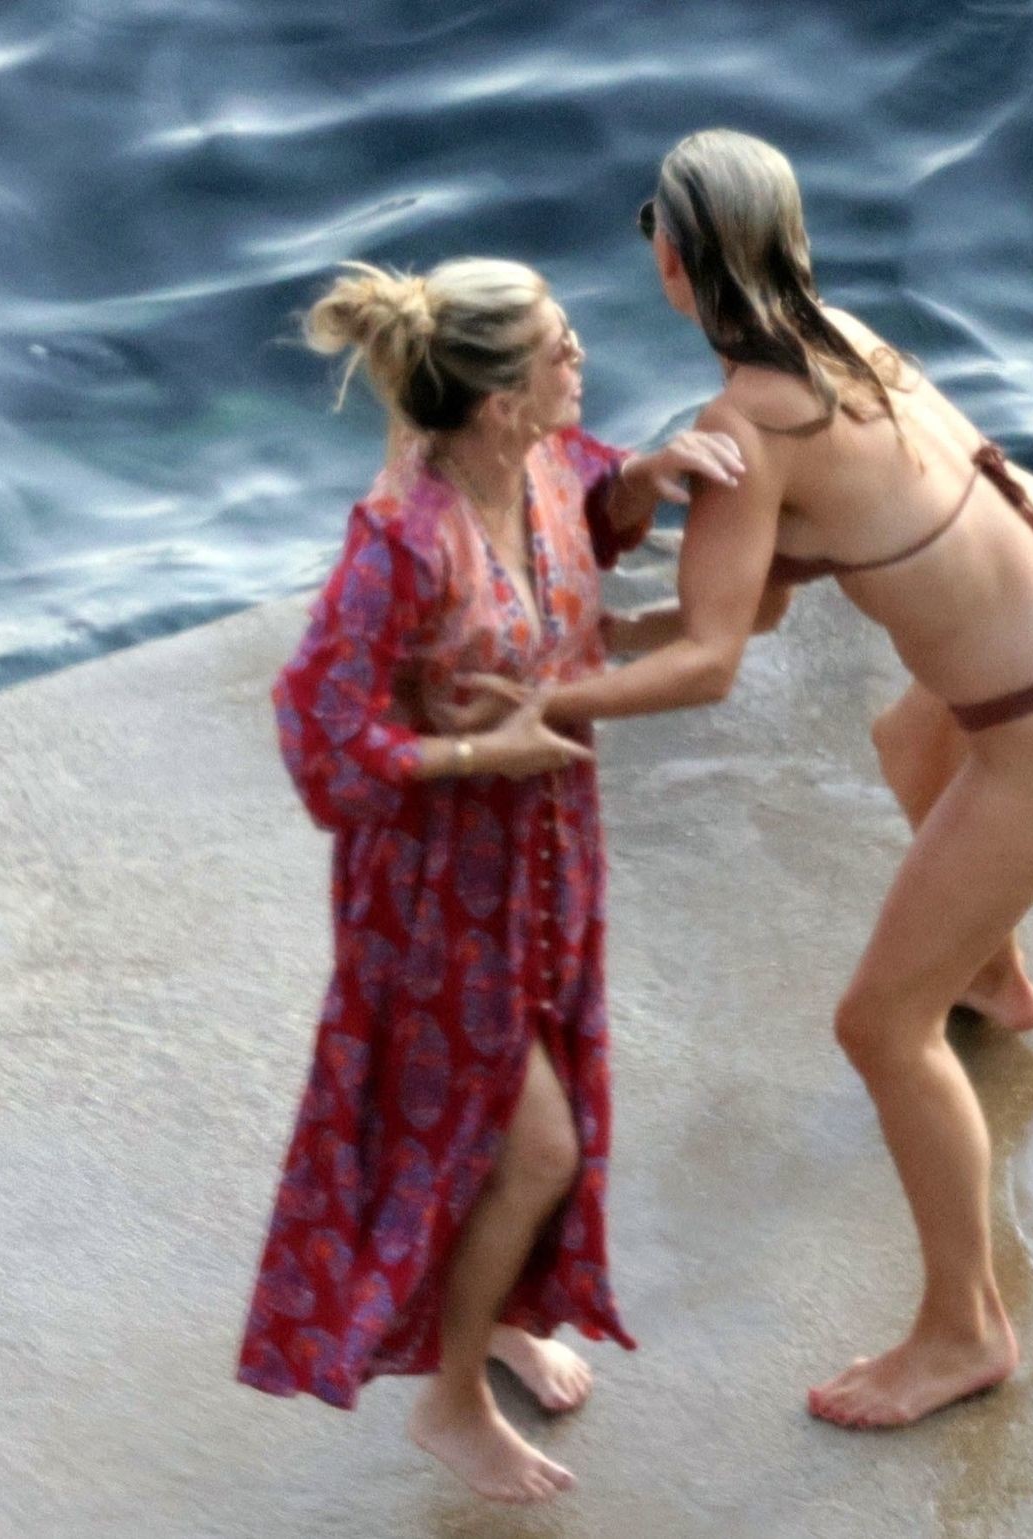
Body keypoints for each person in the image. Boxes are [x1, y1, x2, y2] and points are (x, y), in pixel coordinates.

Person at [473, 130, 1033, 1430]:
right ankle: (994, 975)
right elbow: (766, 592)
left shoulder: (742, 424)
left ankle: (965, 1331)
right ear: (788, 241)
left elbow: (712, 663)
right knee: (909, 741)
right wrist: (612, 630)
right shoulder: (843, 340)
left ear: (674, 267)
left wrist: (543, 700)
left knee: (880, 1027)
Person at [236, 256, 741, 1502]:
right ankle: (451, 1402)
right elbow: (317, 725)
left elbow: (589, 513)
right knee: (535, 1145)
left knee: (517, 1114)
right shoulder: (403, 543)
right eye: (561, 347)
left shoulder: (546, 464)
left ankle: (503, 1314)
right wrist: (476, 754)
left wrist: (647, 479)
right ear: (502, 402)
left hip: (550, 855)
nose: (582, 355)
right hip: (437, 894)